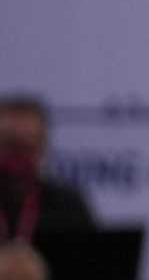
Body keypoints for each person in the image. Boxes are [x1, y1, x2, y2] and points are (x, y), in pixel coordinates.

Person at [0, 95, 96, 246]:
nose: (18, 155)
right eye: (10, 144)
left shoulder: (67, 208)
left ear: (43, 149)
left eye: (27, 147)